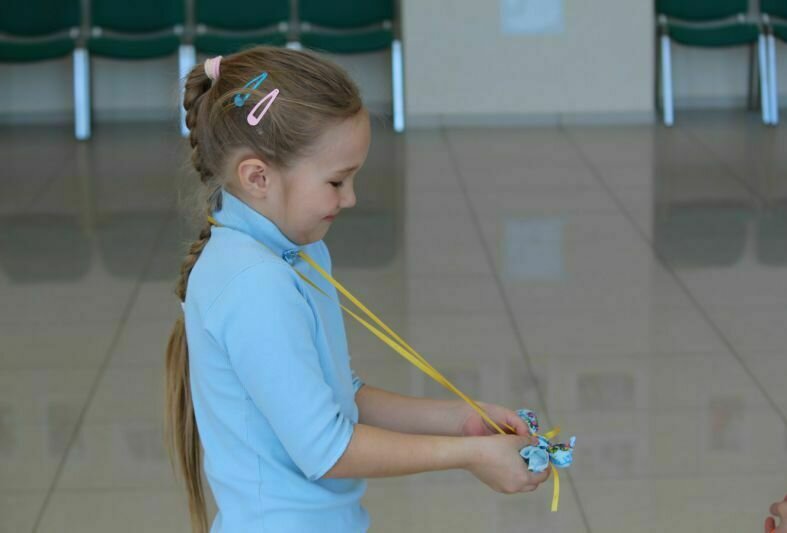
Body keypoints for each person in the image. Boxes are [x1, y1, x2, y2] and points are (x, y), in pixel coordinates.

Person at [164, 46, 548, 533]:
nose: (350, 198)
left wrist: (461, 421)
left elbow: (341, 396)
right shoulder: (254, 283)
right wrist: (470, 456)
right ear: (258, 177)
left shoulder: (298, 251)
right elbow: (326, 450)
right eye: (336, 181)